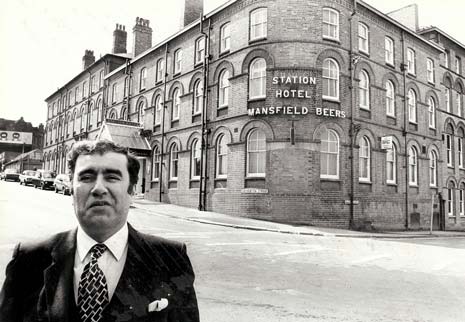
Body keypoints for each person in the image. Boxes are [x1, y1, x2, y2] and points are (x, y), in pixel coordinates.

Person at [0, 140, 199, 322]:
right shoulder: (28, 259)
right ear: (71, 189)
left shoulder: (171, 259)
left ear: (131, 190)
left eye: (112, 177)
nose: (98, 188)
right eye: (86, 177)